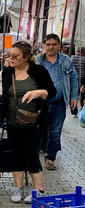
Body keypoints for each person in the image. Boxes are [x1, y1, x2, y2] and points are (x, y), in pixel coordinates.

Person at [0, 41, 56, 203]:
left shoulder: (39, 71)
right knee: (16, 154)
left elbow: (52, 92)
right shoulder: (7, 72)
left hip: (34, 121)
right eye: (9, 55)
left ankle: (39, 190)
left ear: (26, 57)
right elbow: (5, 96)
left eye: (15, 56)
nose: (11, 58)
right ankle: (18, 188)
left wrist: (38, 92)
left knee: (31, 154)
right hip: (12, 121)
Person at [36, 34, 78, 170]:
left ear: (59, 45)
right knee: (39, 131)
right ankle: (34, 158)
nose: (51, 47)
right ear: (44, 45)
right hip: (40, 103)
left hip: (59, 103)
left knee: (55, 132)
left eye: (54, 44)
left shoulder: (66, 60)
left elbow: (73, 78)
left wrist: (74, 97)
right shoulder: (37, 61)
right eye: (48, 44)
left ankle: (50, 158)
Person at [71, 47, 85, 112]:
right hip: (83, 78)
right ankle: (82, 107)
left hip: (73, 78)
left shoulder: (72, 58)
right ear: (83, 52)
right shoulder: (84, 59)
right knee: (83, 93)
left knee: (74, 92)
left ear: (76, 51)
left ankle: (74, 108)